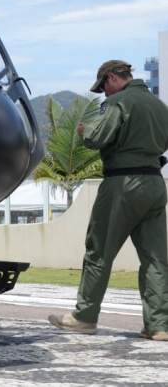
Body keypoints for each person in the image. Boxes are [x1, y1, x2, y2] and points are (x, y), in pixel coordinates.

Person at [48, 60, 168, 341]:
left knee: (98, 251)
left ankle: (84, 317)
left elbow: (96, 138)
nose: (104, 94)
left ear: (112, 77)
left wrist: (85, 131)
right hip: (154, 182)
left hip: (123, 184)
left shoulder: (119, 103)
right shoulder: (159, 106)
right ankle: (159, 324)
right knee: (155, 259)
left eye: (103, 87)